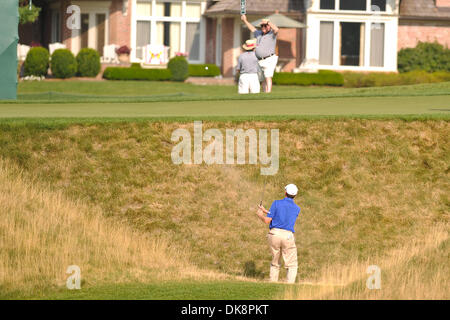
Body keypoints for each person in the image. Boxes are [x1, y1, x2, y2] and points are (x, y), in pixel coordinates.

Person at [256, 184, 301, 283]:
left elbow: (268, 220)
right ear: (295, 195)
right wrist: (266, 211)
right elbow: (284, 216)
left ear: (285, 193)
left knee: (275, 262)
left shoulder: (276, 203)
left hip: (274, 234)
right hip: (288, 236)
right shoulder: (297, 208)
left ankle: (273, 283)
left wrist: (260, 215)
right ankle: (290, 286)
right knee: (292, 264)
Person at [241, 15, 279, 93]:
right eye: (262, 26)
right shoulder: (258, 34)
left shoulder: (272, 34)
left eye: (265, 26)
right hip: (260, 60)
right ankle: (265, 93)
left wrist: (268, 22)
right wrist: (245, 20)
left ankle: (269, 93)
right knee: (262, 79)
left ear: (269, 26)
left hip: (269, 58)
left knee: (268, 76)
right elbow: (252, 28)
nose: (263, 27)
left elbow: (276, 29)